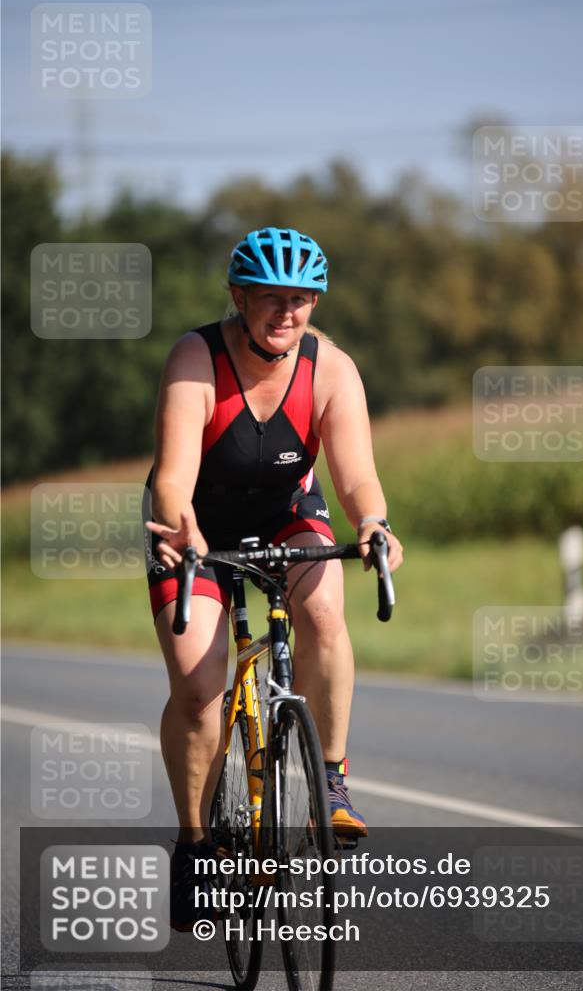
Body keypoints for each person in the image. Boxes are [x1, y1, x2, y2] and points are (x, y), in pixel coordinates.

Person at [144, 226, 403, 929]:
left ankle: (331, 780)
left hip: (289, 516)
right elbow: (171, 479)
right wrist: (182, 527)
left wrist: (373, 523)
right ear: (238, 296)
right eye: (270, 298)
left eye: (301, 299)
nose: (286, 312)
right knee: (199, 686)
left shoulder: (331, 369)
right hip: (190, 528)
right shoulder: (196, 358)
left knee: (322, 614)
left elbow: (356, 477)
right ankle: (195, 847)